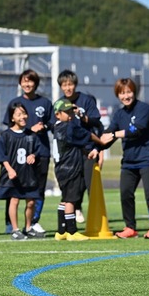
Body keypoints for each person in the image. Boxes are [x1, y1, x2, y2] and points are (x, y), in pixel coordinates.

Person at [99, 78, 149, 240]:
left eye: (128, 92)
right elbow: (109, 133)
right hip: (129, 161)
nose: (126, 96)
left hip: (148, 159)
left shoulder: (144, 109)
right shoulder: (119, 114)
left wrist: (113, 134)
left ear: (134, 92)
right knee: (125, 193)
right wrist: (96, 146)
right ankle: (130, 227)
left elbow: (137, 130)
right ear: (117, 95)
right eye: (122, 93)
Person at [2, 69, 54, 237]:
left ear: (36, 83)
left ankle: (33, 222)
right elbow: (8, 128)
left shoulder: (45, 103)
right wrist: (29, 130)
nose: (27, 84)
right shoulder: (14, 102)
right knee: (14, 189)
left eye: (30, 81)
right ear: (20, 83)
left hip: (41, 152)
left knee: (37, 190)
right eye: (24, 81)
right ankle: (11, 224)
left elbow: (53, 123)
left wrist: (43, 127)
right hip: (18, 155)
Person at [57, 69, 104, 223]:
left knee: (91, 184)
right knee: (72, 187)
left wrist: (82, 117)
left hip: (88, 151)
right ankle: (70, 218)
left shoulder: (86, 100)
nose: (67, 88)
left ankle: (96, 218)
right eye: (64, 85)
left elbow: (96, 121)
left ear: (75, 85)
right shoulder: (60, 104)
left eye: (70, 84)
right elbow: (55, 125)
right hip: (70, 154)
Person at [51, 98, 100, 242]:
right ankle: (72, 231)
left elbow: (74, 144)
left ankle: (61, 231)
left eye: (71, 111)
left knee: (65, 200)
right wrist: (101, 142)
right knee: (72, 200)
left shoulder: (58, 127)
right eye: (66, 112)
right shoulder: (68, 127)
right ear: (58, 114)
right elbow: (86, 135)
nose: (70, 115)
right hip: (70, 168)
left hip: (60, 169)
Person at [0, 102, 42, 240]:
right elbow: (1, 155)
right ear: (12, 118)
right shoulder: (6, 135)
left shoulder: (31, 135)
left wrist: (33, 155)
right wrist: (9, 169)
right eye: (19, 114)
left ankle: (28, 227)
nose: (23, 117)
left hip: (28, 175)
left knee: (31, 202)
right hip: (14, 175)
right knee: (14, 200)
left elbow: (38, 150)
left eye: (24, 113)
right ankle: (15, 229)